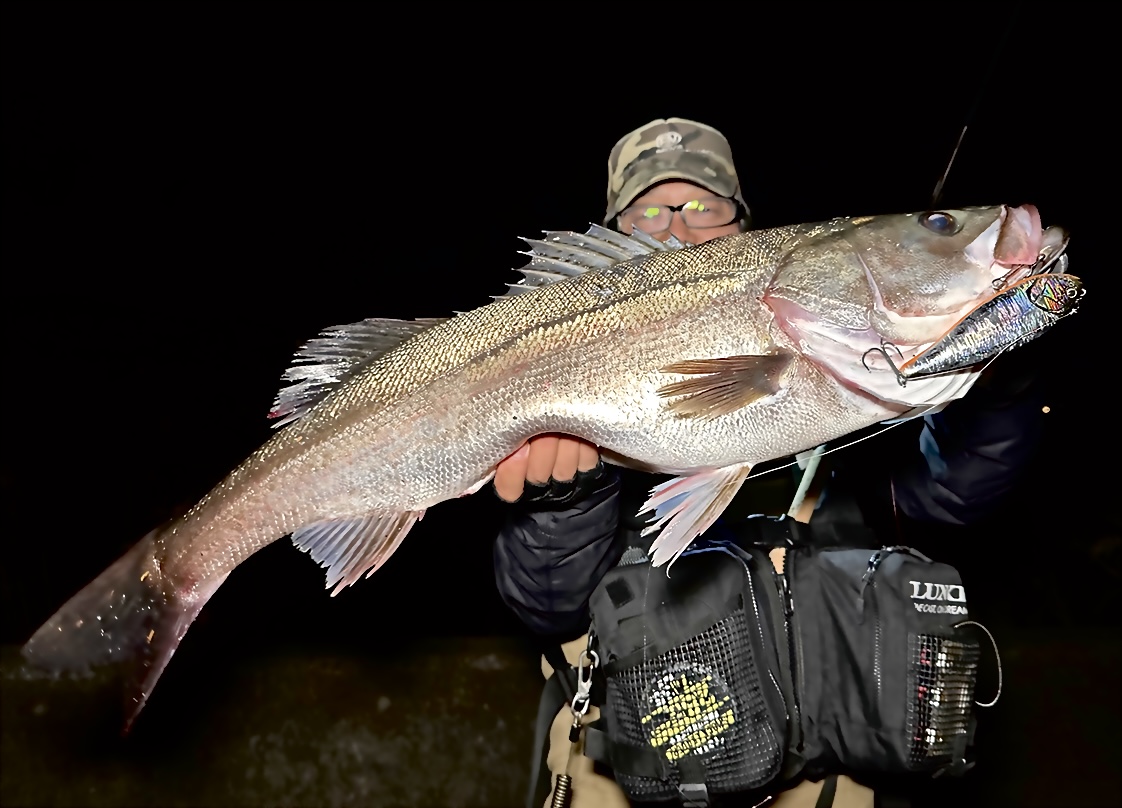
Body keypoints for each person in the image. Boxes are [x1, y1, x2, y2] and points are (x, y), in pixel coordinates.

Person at [491, 118, 1045, 808]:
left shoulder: (837, 359)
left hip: (822, 776)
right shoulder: (562, 343)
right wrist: (565, 502)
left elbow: (952, 495)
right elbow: (549, 602)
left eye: (703, 206)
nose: (678, 226)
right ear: (614, 233)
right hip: (632, 766)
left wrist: (998, 393)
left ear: (742, 227)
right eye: (649, 211)